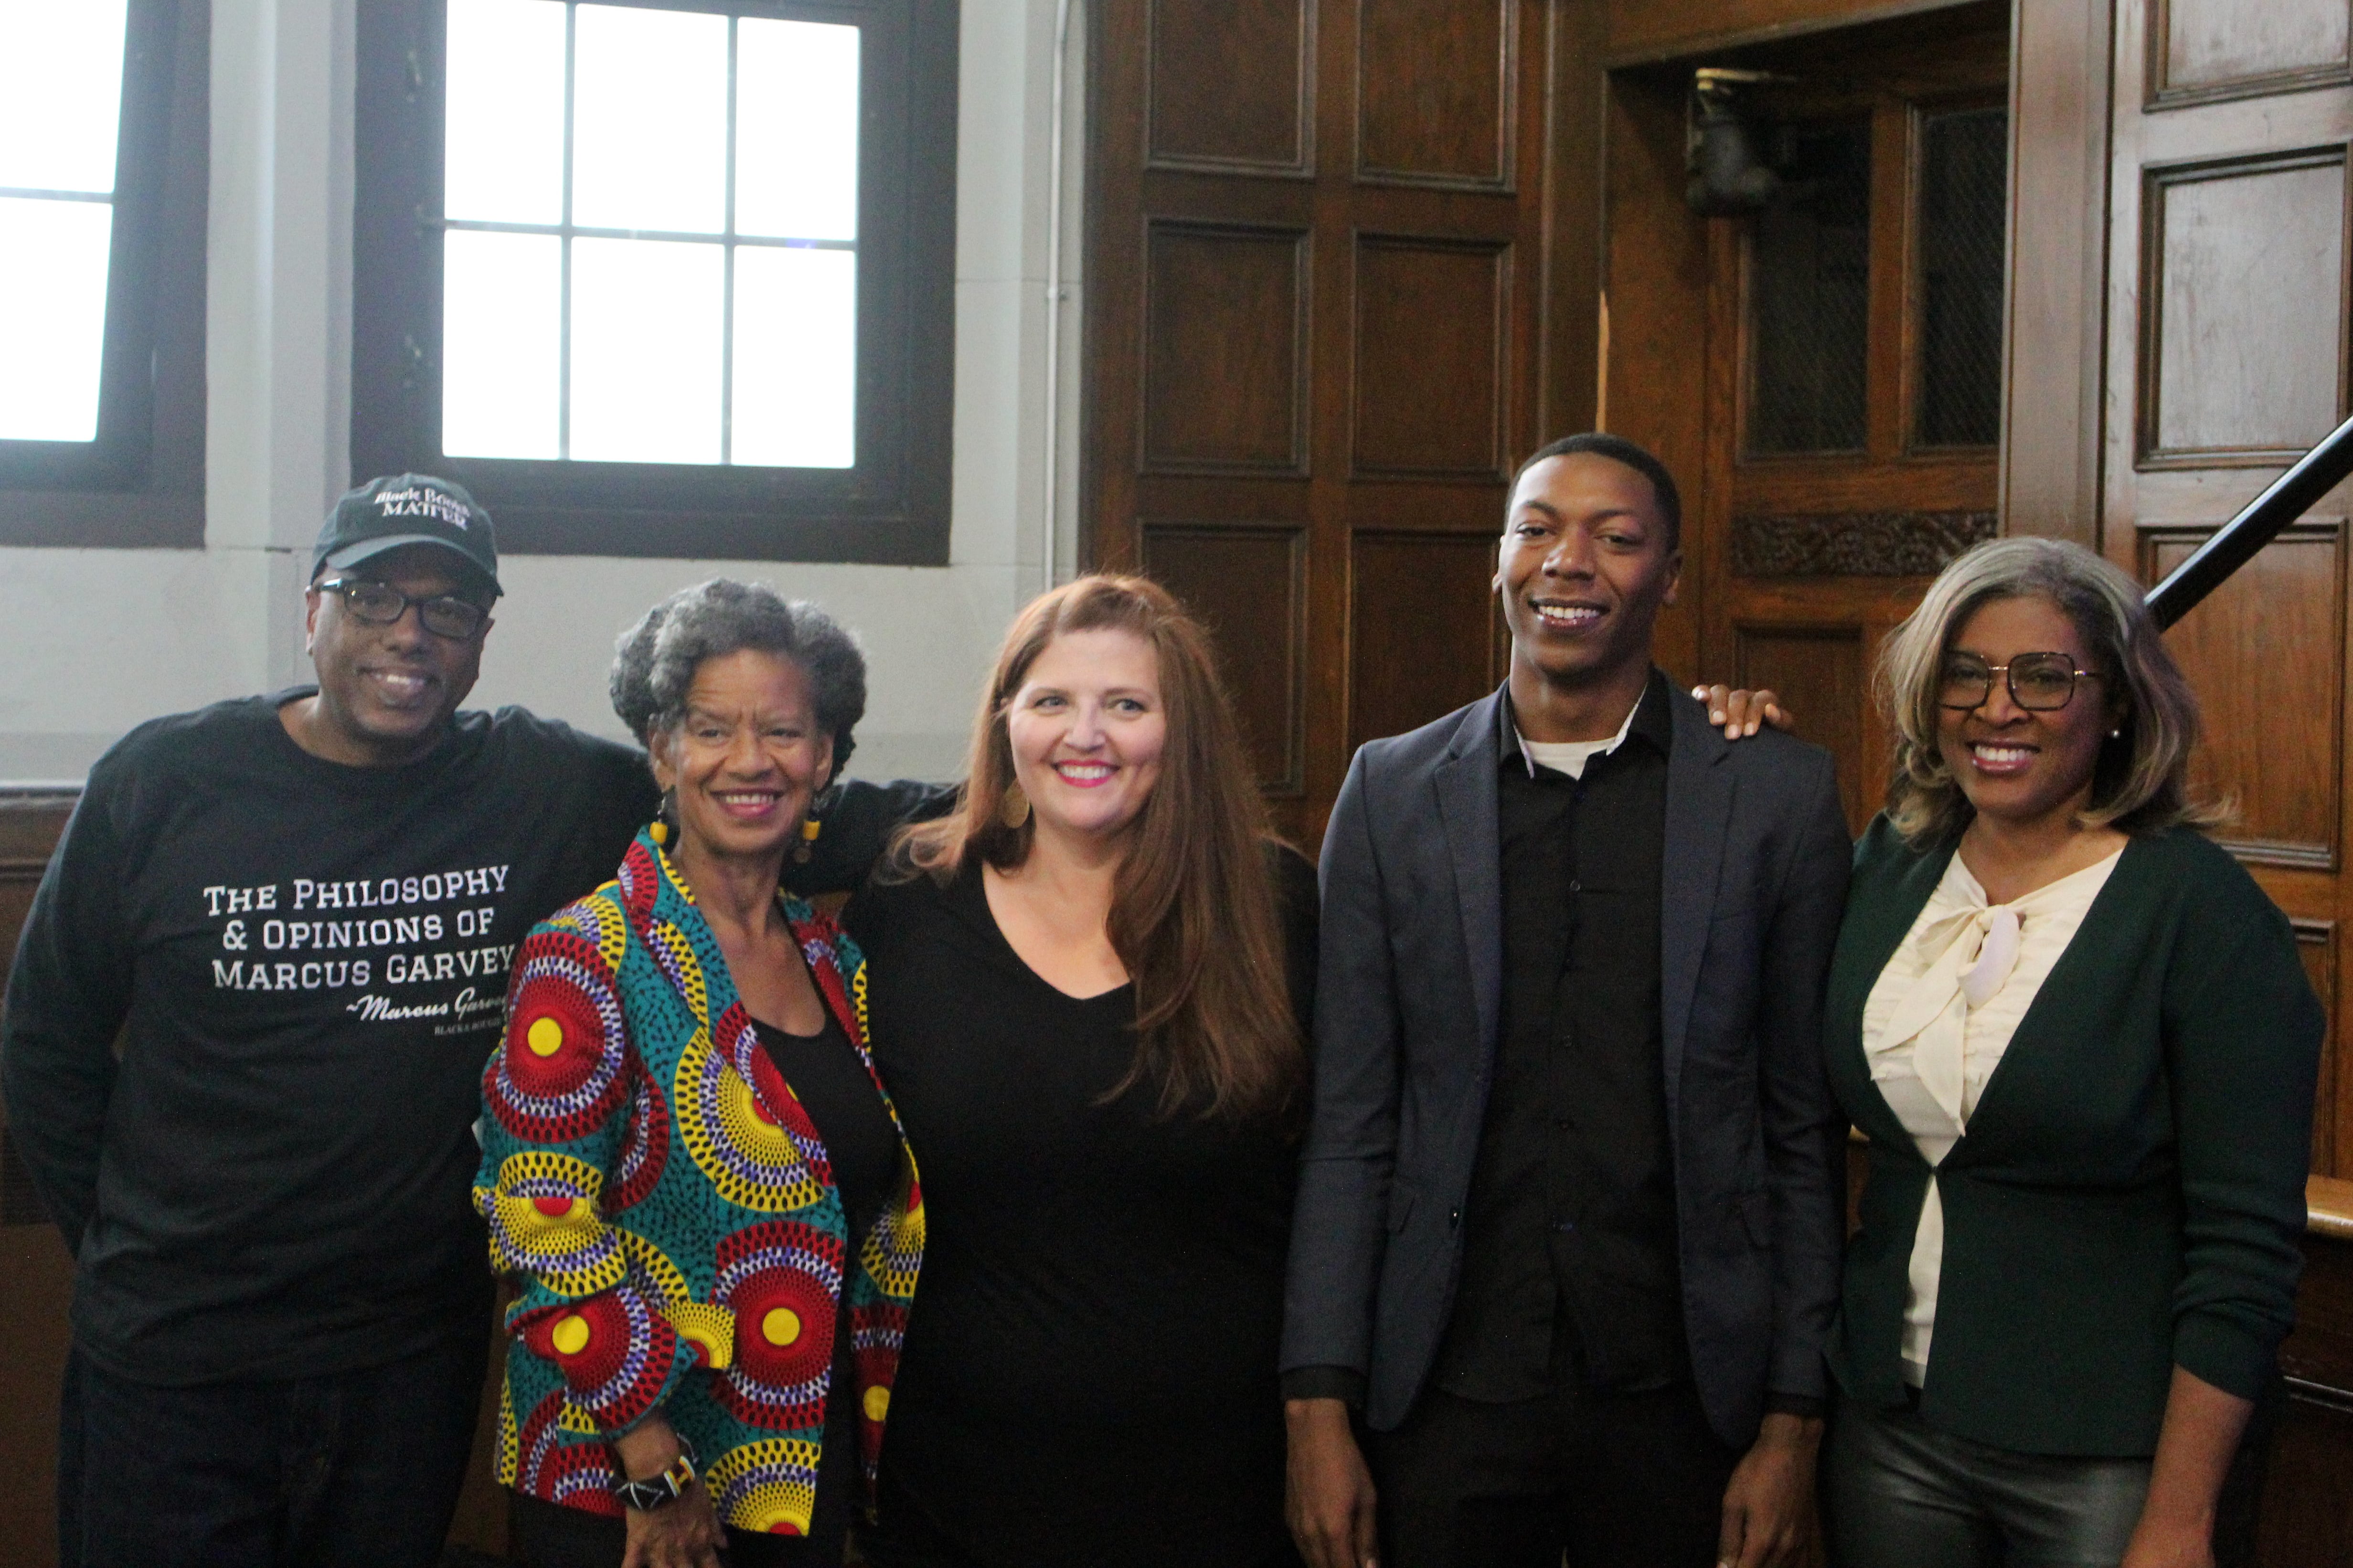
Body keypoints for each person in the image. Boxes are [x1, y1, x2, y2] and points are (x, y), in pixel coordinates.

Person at [0, 474, 659, 1568]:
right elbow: (46, 1045)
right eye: (372, 596)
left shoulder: (545, 786)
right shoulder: (164, 783)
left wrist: (983, 814)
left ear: (482, 638)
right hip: (175, 1362)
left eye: (447, 607)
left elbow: (743, 788)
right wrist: (126, 1249)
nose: (410, 633)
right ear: (312, 611)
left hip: (403, 1365)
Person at [1283, 432, 1853, 1568]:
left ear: (1672, 577)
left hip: (1688, 1392)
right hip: (1443, 1381)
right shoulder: (1389, 793)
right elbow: (1350, 1124)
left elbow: (1800, 1132)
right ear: (1497, 561)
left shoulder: (1777, 797)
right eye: (1537, 527)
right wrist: (1315, 1405)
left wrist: (1794, 1421)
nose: (1569, 560)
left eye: (1617, 536)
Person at [1819, 538, 2321, 1568]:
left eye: (2043, 677)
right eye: (1965, 673)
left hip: (2109, 1463)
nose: (1996, 708)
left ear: (2120, 701)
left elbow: (2246, 1249)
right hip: (1888, 1429)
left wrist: (2179, 1518)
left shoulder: (2203, 915)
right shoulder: (1888, 867)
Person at [841, 575, 1319, 1568]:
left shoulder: (1273, 906)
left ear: (1179, 731)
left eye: (1127, 706)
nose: (1085, 735)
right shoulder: (907, 901)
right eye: (1053, 701)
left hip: (1218, 1484)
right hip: (954, 1482)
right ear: (1006, 718)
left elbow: (1348, 1175)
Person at [476, 580, 923, 1568]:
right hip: (630, 1494)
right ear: (660, 749)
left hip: (800, 1471)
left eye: (785, 732)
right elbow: (540, 1228)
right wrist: (652, 1463)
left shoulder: (832, 957)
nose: (750, 761)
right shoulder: (585, 953)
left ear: (825, 759)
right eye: (712, 728)